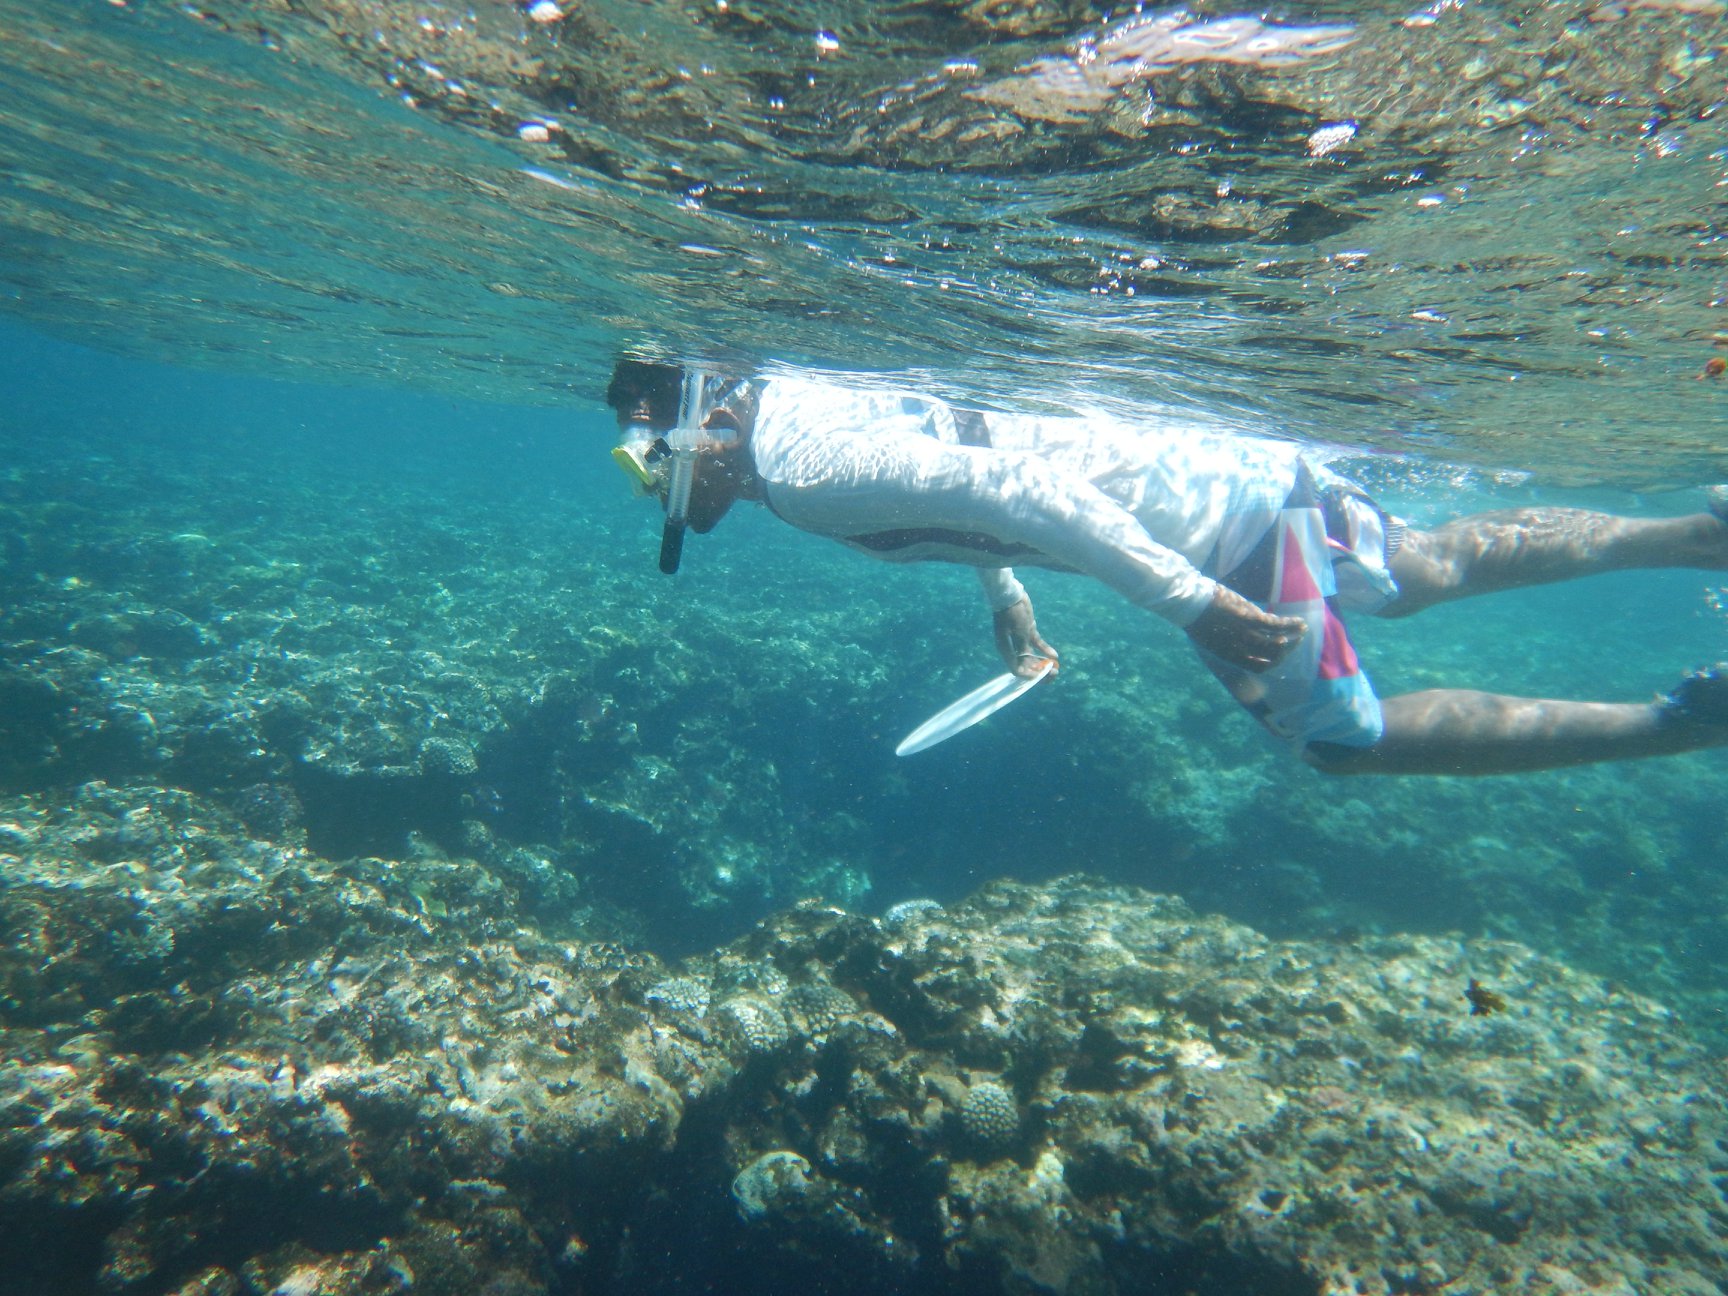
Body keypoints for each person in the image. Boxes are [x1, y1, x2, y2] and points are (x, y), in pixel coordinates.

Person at [604, 358, 1728, 775]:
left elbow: (1009, 490)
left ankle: (1677, 725)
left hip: (1217, 543)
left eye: (646, 465)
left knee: (1342, 743)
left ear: (699, 419)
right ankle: (1694, 535)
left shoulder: (801, 474)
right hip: (1235, 475)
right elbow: (960, 464)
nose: (661, 495)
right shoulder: (803, 401)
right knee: (1422, 566)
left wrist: (1194, 603)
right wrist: (1007, 589)